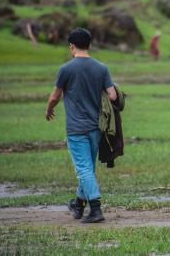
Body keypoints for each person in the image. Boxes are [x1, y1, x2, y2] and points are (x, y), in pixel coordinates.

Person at [45, 27, 117, 223]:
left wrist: (49, 108)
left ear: (71, 47)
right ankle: (78, 203)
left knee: (84, 169)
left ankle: (95, 209)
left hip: (76, 129)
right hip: (95, 128)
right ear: (90, 45)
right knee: (88, 169)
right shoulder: (101, 68)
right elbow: (113, 95)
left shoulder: (66, 69)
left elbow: (55, 96)